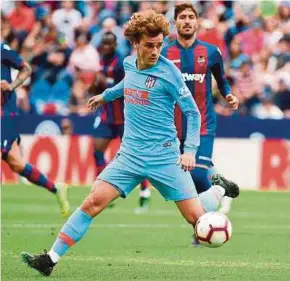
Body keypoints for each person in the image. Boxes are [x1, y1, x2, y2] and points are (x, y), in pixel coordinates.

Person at [20, 10, 239, 276]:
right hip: (130, 156)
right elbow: (128, 83)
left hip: (164, 157)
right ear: (136, 43)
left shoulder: (170, 73)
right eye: (149, 45)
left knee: (197, 220)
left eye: (159, 45)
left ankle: (218, 190)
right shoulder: (129, 63)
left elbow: (192, 112)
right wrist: (107, 95)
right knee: (92, 203)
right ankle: (50, 260)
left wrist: (190, 151)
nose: (156, 51)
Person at [162, 3, 240, 215]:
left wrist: (229, 96)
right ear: (175, 22)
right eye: (182, 17)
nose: (187, 21)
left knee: (196, 175)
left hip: (203, 123)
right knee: (183, 181)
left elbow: (221, 80)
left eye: (191, 17)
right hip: (173, 127)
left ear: (197, 22)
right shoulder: (164, 54)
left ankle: (205, 219)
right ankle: (218, 189)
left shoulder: (211, 52)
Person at [1, 42, 69, 217]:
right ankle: (56, 188)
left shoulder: (3, 50)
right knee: (16, 163)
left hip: (5, 113)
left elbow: (26, 69)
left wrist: (11, 85)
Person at [90, 32, 151, 212]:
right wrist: (95, 84)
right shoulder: (101, 60)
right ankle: (103, 193)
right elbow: (97, 85)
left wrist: (104, 81)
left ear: (115, 44)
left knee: (136, 157)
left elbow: (127, 86)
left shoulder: (121, 63)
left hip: (125, 118)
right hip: (107, 117)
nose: (107, 46)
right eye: (105, 43)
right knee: (97, 152)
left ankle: (145, 194)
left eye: (110, 43)